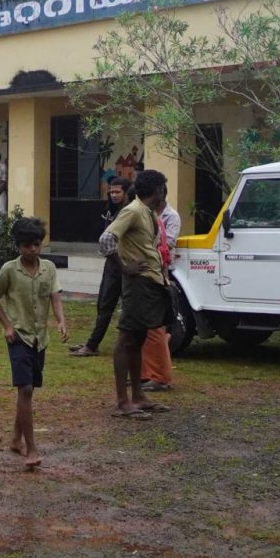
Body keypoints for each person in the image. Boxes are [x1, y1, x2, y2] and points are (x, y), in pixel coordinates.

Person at [0, 216, 66, 470]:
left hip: (39, 339)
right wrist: (7, 326)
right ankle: (31, 448)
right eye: (27, 245)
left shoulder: (49, 269)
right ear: (18, 246)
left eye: (37, 244)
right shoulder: (9, 270)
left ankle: (15, 438)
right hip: (18, 337)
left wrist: (61, 321)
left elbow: (55, 297)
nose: (33, 249)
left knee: (28, 390)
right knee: (25, 389)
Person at [99, 168, 169, 419]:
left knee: (138, 338)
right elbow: (106, 240)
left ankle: (138, 396)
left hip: (148, 281)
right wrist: (124, 268)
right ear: (158, 190)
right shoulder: (133, 211)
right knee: (127, 338)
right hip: (137, 283)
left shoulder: (147, 212)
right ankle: (122, 401)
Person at [71, 177, 133, 357]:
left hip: (122, 263)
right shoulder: (111, 210)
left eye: (117, 192)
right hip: (112, 263)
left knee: (115, 305)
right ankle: (92, 343)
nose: (113, 195)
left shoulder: (128, 212)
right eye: (111, 191)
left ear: (127, 192)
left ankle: (93, 345)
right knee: (103, 304)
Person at [141, 197, 183, 394]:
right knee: (147, 330)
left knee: (155, 330)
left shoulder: (159, 219)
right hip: (154, 276)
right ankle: (147, 374)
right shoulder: (150, 218)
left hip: (156, 277)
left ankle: (159, 377)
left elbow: (166, 247)